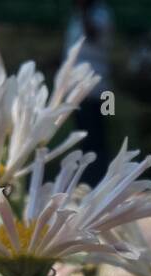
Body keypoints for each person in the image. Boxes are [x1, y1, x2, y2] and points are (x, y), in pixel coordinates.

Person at [66, 0, 113, 184]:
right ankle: (89, 180)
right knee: (86, 136)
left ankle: (97, 181)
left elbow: (93, 35)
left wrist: (84, 11)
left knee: (97, 137)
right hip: (80, 90)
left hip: (101, 91)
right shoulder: (77, 17)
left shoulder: (101, 12)